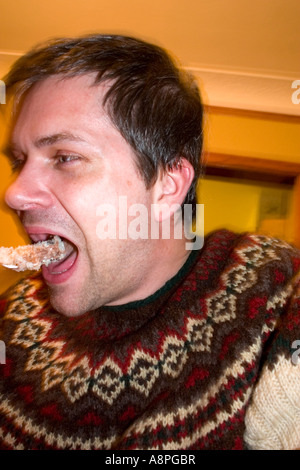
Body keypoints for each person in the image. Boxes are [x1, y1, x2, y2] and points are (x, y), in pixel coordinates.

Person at [0, 34, 299, 451]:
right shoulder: (11, 323)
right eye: (19, 161)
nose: (14, 194)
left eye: (65, 157)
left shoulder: (282, 298)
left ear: (166, 186)